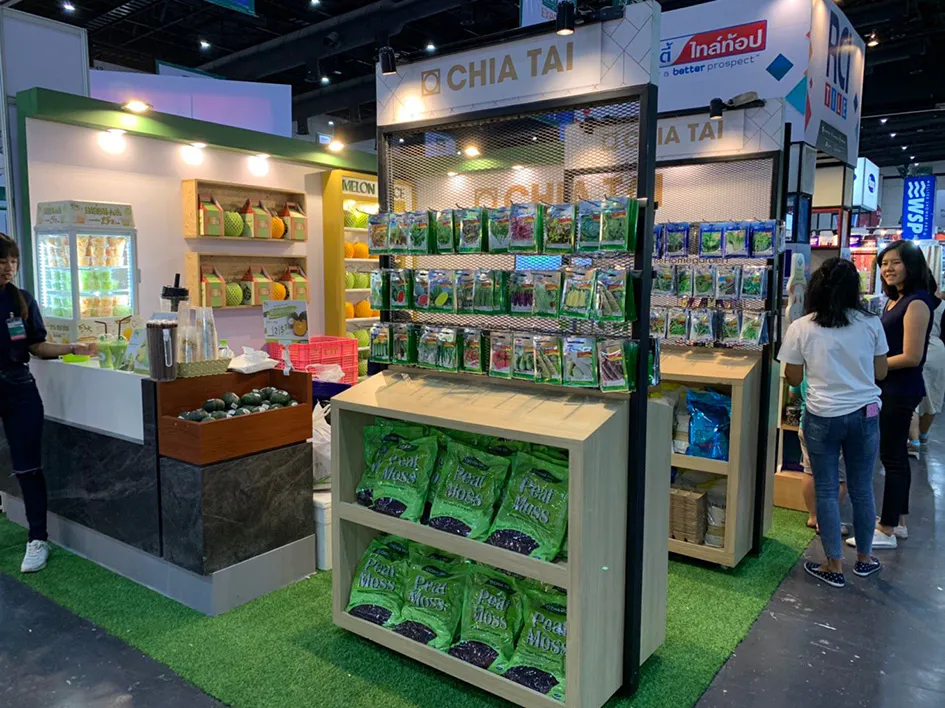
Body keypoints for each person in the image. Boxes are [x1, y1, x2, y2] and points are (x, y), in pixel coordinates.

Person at [779, 258, 888, 588]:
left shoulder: (802, 327)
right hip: (865, 414)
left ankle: (833, 565)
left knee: (826, 489)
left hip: (822, 415)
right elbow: (881, 372)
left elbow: (792, 376)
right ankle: (865, 559)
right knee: (862, 488)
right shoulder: (871, 323)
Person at [0, 234, 96, 573]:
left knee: (28, 467)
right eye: (2, 260)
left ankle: (37, 540)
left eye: (13, 260)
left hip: (19, 391)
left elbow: (36, 346)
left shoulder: (22, 300)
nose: (8, 267)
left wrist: (71, 348)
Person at [849, 241, 939, 550]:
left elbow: (912, 356)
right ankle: (897, 522)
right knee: (894, 454)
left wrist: (872, 366)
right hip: (888, 387)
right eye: (884, 263)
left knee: (893, 457)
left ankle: (885, 528)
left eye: (895, 262)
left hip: (900, 389)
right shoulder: (896, 300)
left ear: (911, 265)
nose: (888, 269)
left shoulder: (917, 302)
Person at [792, 378, 848, 535]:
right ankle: (828, 521)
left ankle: (814, 516)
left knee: (810, 471)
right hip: (837, 420)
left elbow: (793, 391)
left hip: (807, 421)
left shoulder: (807, 365)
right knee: (838, 476)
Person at [908, 287, 945, 454]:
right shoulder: (942, 306)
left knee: (911, 395)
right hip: (937, 352)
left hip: (911, 348)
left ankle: (913, 439)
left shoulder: (908, 303)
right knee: (933, 396)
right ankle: (923, 435)